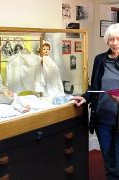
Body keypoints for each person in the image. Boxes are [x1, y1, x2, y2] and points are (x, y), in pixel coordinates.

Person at [72, 23, 119, 180]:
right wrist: (84, 98)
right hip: (102, 120)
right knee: (109, 162)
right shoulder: (100, 60)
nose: (114, 42)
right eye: (111, 39)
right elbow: (94, 87)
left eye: (118, 39)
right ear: (107, 41)